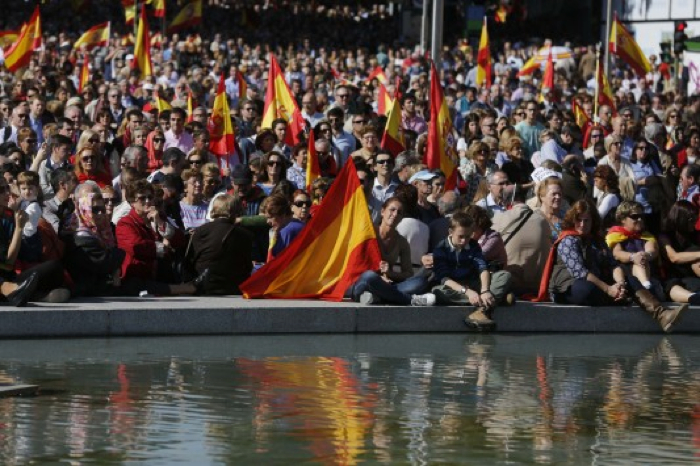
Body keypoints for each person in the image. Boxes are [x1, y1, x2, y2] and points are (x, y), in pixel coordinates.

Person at [539, 199, 687, 332]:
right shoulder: (568, 240)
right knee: (587, 288)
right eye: (579, 220)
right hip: (568, 286)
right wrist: (609, 289)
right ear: (573, 220)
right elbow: (581, 273)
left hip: (599, 283)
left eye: (587, 221)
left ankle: (662, 314)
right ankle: (621, 298)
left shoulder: (597, 240)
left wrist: (620, 284)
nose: (583, 225)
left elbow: (613, 265)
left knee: (631, 280)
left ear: (593, 222)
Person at [115, 179, 204, 296]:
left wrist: (160, 223)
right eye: (142, 198)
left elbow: (180, 240)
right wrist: (164, 248)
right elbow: (136, 247)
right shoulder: (125, 223)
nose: (148, 201)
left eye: (150, 197)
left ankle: (188, 287)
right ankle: (187, 288)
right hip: (136, 277)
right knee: (140, 284)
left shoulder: (158, 216)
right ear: (132, 202)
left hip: (160, 274)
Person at [346, 197, 435, 306]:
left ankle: (378, 296)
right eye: (392, 210)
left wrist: (390, 273)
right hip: (361, 282)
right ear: (383, 211)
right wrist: (379, 277)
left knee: (420, 282)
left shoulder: (402, 242)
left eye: (399, 212)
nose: (395, 214)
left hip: (388, 284)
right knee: (370, 276)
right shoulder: (368, 232)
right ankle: (410, 300)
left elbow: (408, 274)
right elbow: (354, 264)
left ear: (402, 217)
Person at [431, 212, 512, 331]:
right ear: (450, 232)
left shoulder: (473, 245)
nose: (464, 241)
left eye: (468, 236)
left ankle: (481, 310)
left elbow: (482, 268)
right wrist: (467, 292)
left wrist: (485, 290)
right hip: (455, 287)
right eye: (461, 236)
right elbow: (444, 278)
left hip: (473, 283)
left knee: (504, 275)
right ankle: (495, 300)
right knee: (438, 291)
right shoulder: (441, 248)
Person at [64, 183, 125, 297]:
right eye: (95, 209)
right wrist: (119, 254)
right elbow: (105, 262)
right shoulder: (80, 234)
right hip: (86, 292)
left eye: (102, 209)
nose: (101, 213)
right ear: (84, 209)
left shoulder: (102, 229)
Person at [187, 194, 253, 295]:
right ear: (235, 211)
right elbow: (248, 266)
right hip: (233, 286)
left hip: (204, 285)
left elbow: (191, 261)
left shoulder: (201, 231)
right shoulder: (244, 235)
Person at [493, 183, 552, 296]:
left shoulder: (498, 218)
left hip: (509, 282)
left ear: (506, 202)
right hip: (538, 284)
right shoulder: (542, 221)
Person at [658, 201, 700, 304]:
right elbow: (674, 257)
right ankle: (694, 298)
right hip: (673, 274)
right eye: (691, 219)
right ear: (681, 218)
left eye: (696, 218)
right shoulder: (665, 236)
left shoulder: (696, 235)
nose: (695, 222)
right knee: (673, 286)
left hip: (692, 275)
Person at [261, 194, 305, 260]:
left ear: (283, 215)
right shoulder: (299, 224)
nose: (268, 221)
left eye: (270, 217)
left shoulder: (288, 231)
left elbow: (280, 262)